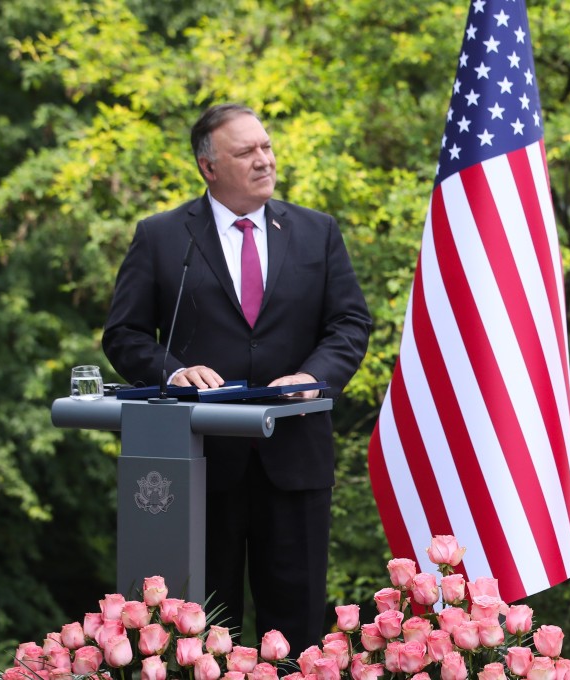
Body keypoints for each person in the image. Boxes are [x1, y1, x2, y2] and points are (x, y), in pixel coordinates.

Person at [103, 103, 372, 651]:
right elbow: (124, 335)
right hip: (201, 466)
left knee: (296, 637)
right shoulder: (160, 237)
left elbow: (349, 322)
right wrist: (174, 372)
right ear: (208, 167)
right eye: (246, 152)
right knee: (201, 631)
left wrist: (312, 375)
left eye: (266, 146)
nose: (264, 160)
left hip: (294, 460)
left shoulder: (317, 232)